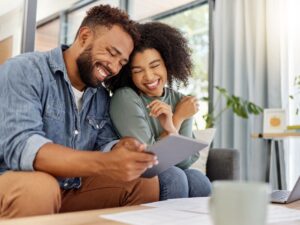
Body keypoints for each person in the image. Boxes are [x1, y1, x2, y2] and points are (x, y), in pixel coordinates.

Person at [0, 5, 161, 219]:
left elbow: (104, 143)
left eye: (122, 63)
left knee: (144, 180)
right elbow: (22, 146)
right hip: (17, 182)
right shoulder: (25, 69)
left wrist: (121, 146)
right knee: (40, 187)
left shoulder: (100, 95)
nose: (114, 67)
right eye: (112, 53)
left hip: (70, 189)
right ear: (84, 37)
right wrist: (104, 163)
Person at [105, 22, 212, 200]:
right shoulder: (125, 97)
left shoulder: (179, 100)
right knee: (174, 177)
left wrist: (172, 125)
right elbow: (148, 160)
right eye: (138, 70)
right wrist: (176, 119)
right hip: (134, 172)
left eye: (155, 66)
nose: (148, 76)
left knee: (198, 179)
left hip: (168, 171)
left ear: (167, 64)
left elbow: (185, 161)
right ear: (129, 74)